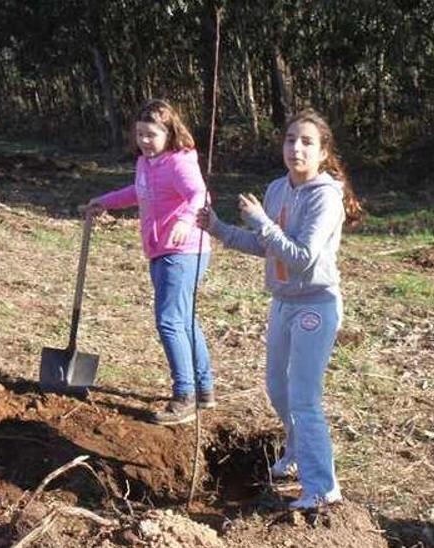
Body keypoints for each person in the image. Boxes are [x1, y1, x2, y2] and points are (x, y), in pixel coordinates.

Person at [198, 109, 363, 510]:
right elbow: (266, 247)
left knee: (304, 398)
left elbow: (302, 257)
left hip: (316, 306)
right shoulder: (275, 189)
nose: (296, 148)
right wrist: (219, 228)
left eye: (307, 142)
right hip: (282, 302)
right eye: (291, 140)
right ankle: (295, 453)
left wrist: (261, 222)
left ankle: (322, 487)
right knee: (277, 386)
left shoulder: (327, 196)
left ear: (323, 152)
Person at [81, 99, 214, 425]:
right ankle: (205, 389)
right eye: (140, 134)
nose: (144, 140)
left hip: (184, 252)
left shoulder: (180, 163)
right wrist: (105, 202)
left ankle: (185, 396)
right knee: (184, 321)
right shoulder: (146, 163)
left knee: (169, 322)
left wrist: (185, 220)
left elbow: (200, 196)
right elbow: (137, 192)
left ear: (169, 133)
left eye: (151, 134)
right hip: (161, 250)